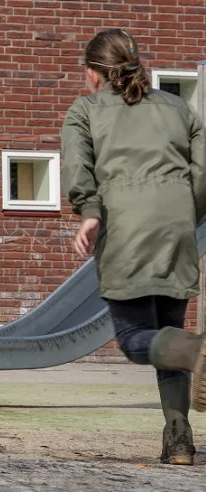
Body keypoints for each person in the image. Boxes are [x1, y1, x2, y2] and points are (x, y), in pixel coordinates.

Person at [63, 29, 206, 465]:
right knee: (167, 332)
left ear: (92, 74)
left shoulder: (85, 110)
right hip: (177, 228)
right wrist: (186, 210)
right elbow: (202, 167)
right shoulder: (179, 107)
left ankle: (198, 350)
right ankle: (179, 443)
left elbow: (77, 164)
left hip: (125, 229)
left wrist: (89, 210)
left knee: (133, 338)